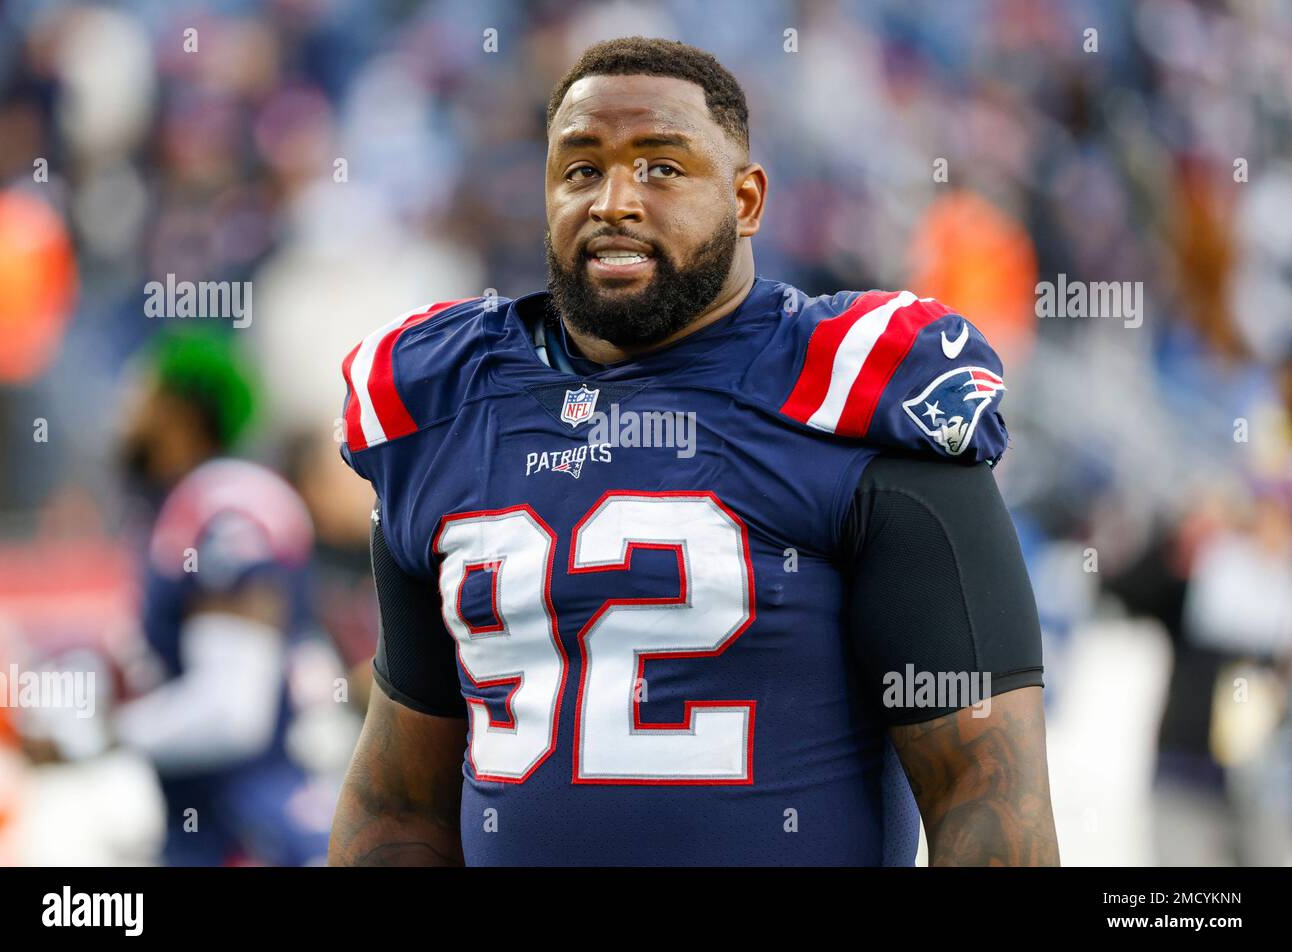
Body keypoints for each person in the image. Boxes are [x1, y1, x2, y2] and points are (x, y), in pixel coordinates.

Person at [330, 37, 1058, 866]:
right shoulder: (447, 405)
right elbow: (399, 801)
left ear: (747, 201)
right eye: (579, 170)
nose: (613, 201)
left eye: (661, 168)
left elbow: (985, 793)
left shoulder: (849, 394)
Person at [115, 327, 327, 865]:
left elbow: (232, 712)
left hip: (244, 828)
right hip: (216, 821)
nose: (124, 414)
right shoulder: (187, 503)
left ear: (178, 411)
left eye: (141, 393)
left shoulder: (225, 505)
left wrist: (107, 738)